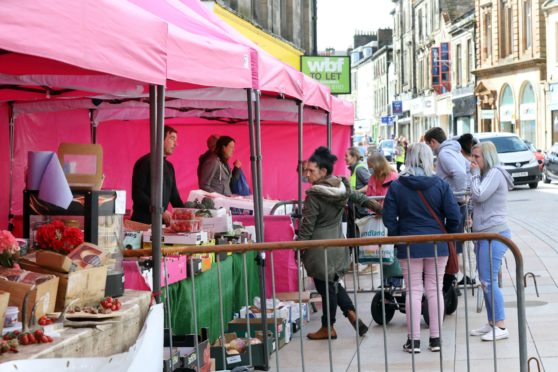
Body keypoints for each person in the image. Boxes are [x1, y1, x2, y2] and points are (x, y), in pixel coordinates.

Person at [382, 143, 461, 353]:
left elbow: (388, 217)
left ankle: (414, 341)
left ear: (408, 159)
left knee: (413, 291)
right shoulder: (440, 185)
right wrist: (448, 233)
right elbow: (454, 216)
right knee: (434, 289)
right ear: (429, 159)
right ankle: (435, 339)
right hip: (437, 243)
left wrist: (399, 233)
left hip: (408, 244)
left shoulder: (397, 186)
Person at [297, 147, 382, 340]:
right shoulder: (340, 187)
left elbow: (307, 226)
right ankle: (351, 314)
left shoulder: (315, 195)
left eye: (311, 171)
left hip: (318, 250)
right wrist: (378, 208)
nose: (307, 175)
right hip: (337, 244)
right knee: (334, 284)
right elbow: (359, 198)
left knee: (326, 288)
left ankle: (328, 327)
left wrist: (298, 246)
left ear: (323, 172)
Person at [469, 141, 513, 341]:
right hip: (485, 235)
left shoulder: (495, 173)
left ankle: (501, 325)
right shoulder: (488, 174)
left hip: (494, 234)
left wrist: (474, 175)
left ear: (487, 156)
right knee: (485, 281)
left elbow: (478, 194)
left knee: (489, 281)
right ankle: (492, 322)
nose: (473, 161)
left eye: (477, 157)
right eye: (473, 156)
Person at [424, 127, 468, 292]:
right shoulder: (454, 151)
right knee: (454, 245)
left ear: (433, 142)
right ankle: (452, 282)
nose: (430, 149)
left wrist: (458, 197)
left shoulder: (443, 153)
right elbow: (468, 169)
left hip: (453, 204)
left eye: (429, 145)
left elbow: (461, 174)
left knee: (451, 245)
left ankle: (450, 284)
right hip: (456, 204)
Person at [131, 126, 184, 225]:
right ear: (160, 138)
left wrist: (188, 213)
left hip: (160, 225)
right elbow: (137, 195)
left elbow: (175, 198)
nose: (176, 144)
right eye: (172, 138)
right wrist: (160, 211)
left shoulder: (169, 167)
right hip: (143, 224)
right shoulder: (144, 162)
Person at [344, 147, 371, 273]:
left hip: (360, 209)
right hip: (354, 208)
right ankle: (356, 262)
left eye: (347, 156)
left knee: (360, 235)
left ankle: (364, 263)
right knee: (353, 235)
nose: (345, 158)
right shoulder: (354, 170)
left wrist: (354, 193)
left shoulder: (359, 169)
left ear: (354, 157)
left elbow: (369, 185)